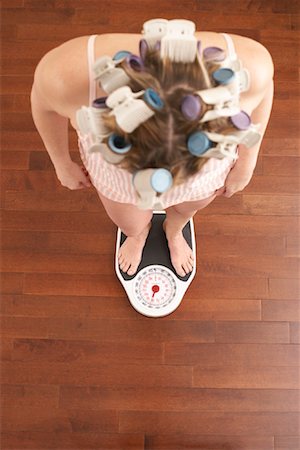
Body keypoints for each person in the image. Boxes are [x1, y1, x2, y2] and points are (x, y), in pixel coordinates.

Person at [31, 19, 274, 278]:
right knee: (131, 222)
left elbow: (263, 89)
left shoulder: (252, 65)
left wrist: (247, 162)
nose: (167, 185)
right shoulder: (66, 74)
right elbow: (42, 102)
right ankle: (138, 236)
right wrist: (61, 164)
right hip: (118, 178)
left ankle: (174, 231)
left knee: (186, 208)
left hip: (205, 174)